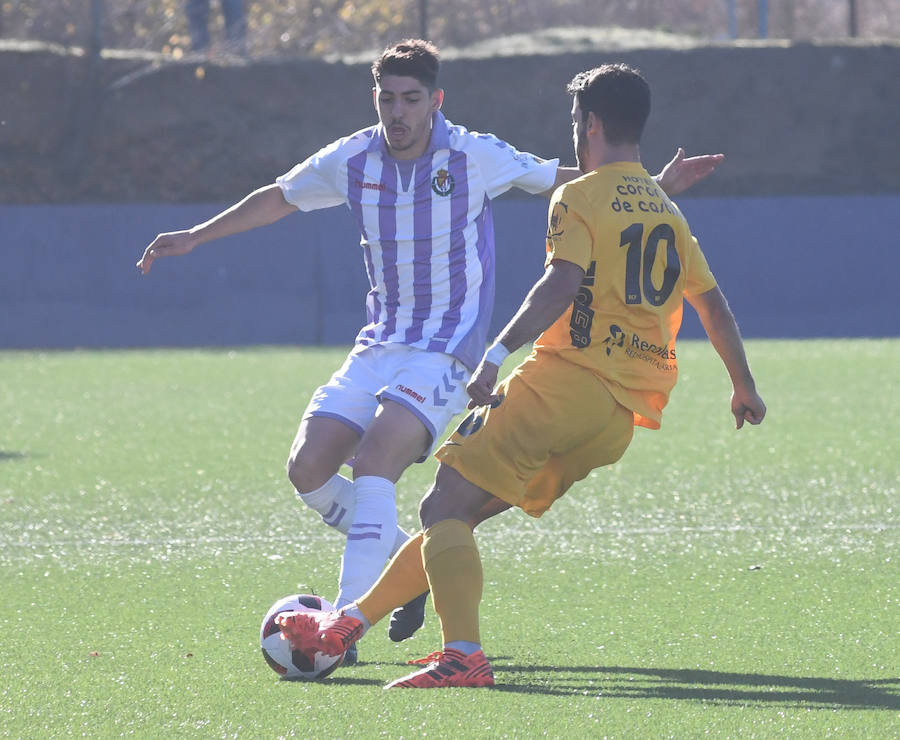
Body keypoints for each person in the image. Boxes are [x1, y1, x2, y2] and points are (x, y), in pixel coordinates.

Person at [136, 41, 723, 663]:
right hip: (379, 342)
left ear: (434, 100)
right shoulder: (353, 157)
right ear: (375, 99)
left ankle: (341, 630)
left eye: (411, 99)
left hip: (446, 348)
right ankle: (403, 563)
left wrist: (652, 186)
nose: (399, 112)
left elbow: (573, 178)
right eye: (387, 98)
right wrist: (196, 236)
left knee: (375, 462)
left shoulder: (473, 154)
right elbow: (279, 196)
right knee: (307, 470)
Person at [275, 62, 766, 689]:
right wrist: (743, 385)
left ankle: (463, 655)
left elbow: (562, 282)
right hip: (619, 418)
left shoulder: (578, 195)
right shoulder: (664, 207)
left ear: (588, 125)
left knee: (442, 501)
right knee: (455, 516)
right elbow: (713, 303)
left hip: (563, 386)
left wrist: (497, 351)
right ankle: (348, 625)